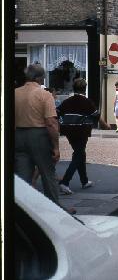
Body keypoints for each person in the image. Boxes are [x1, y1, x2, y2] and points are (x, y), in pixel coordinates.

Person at [15, 64, 61, 205]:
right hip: (38, 135)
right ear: (40, 78)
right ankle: (54, 207)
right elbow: (51, 122)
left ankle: (24, 207)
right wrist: (56, 146)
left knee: (23, 176)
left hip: (18, 134)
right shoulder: (44, 95)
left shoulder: (15, 93)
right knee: (47, 173)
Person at [57, 78, 97, 195]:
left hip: (69, 131)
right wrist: (104, 124)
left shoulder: (67, 101)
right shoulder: (87, 102)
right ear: (84, 89)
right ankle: (65, 182)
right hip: (81, 131)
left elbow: (57, 112)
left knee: (80, 153)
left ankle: (84, 181)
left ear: (73, 88)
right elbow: (96, 115)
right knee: (78, 155)